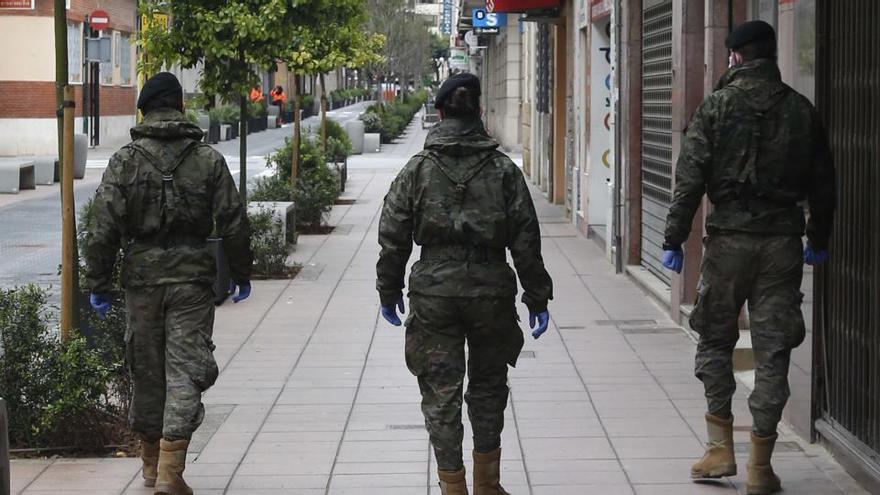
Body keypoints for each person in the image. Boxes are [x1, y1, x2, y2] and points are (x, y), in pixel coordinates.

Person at [661, 21, 835, 495]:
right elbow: (823, 183)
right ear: (771, 56)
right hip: (781, 245)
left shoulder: (716, 106)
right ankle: (761, 464)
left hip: (729, 243)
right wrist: (817, 236)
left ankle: (720, 450)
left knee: (715, 339)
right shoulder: (802, 110)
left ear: (734, 57)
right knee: (773, 349)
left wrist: (673, 239)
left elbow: (690, 176)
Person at [376, 73, 553, 495]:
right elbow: (526, 237)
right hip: (491, 291)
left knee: (441, 391)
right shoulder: (504, 171)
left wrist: (388, 289)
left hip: (433, 293)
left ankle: (453, 487)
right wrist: (537, 296)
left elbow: (393, 234)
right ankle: (487, 486)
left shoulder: (417, 170)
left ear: (439, 112)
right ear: (479, 111)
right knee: (489, 387)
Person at [85, 72, 253, 495]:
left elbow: (101, 226)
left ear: (143, 110)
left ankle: (149, 467)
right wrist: (240, 271)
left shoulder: (125, 160)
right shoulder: (207, 159)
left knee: (146, 370)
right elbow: (233, 219)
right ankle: (170, 473)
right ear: (181, 107)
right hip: (192, 280)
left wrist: (99, 282)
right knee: (186, 370)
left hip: (142, 281)